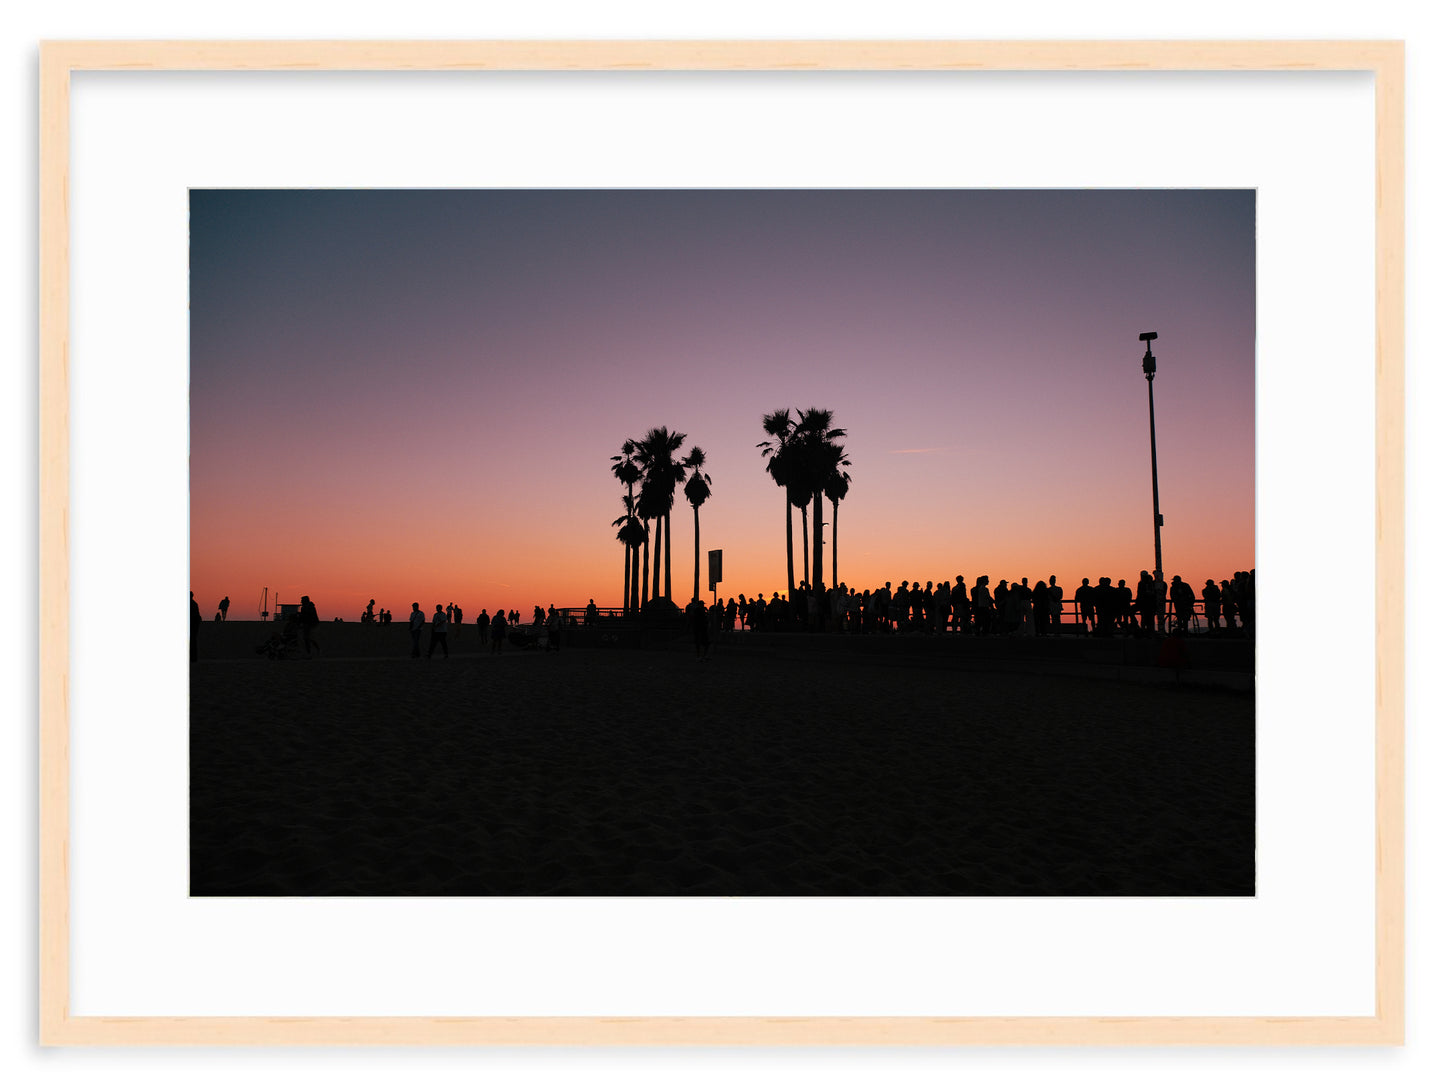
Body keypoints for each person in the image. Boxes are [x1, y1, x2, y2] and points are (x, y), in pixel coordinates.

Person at [190, 591, 202, 662]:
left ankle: (193, 658)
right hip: (195, 624)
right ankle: (193, 658)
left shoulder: (192, 604)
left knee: (192, 641)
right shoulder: (194, 604)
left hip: (193, 624)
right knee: (193, 641)